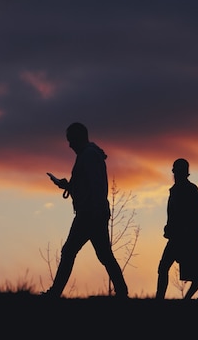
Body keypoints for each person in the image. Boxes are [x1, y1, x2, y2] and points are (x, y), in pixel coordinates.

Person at [43, 122, 129, 298]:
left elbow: (96, 186)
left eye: (71, 140)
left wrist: (94, 210)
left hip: (90, 213)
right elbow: (87, 185)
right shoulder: (87, 155)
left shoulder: (88, 156)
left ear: (78, 138)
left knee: (70, 251)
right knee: (104, 255)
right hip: (92, 212)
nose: (69, 145)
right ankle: (122, 292)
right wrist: (66, 185)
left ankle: (55, 293)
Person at [155, 158, 198, 299]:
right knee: (163, 268)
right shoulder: (175, 190)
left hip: (185, 239)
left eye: (177, 172)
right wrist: (169, 227)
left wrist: (195, 236)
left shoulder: (190, 190)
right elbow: (174, 215)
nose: (175, 174)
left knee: (197, 273)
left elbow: (194, 215)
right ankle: (159, 298)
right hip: (176, 237)